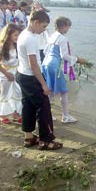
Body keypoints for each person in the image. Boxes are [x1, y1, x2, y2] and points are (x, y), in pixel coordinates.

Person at [16, 10, 63, 150]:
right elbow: (34, 64)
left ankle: (29, 137)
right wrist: (44, 85)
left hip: (22, 74)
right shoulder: (30, 38)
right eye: (43, 26)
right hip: (31, 77)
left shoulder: (23, 34)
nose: (44, 30)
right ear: (36, 22)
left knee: (28, 106)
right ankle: (46, 141)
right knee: (44, 108)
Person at [42, 16, 86, 123]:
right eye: (68, 27)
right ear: (64, 26)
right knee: (64, 91)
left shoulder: (52, 35)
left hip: (46, 63)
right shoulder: (62, 38)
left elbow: (44, 51)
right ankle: (65, 116)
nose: (68, 30)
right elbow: (64, 56)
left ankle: (46, 114)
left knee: (50, 90)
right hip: (54, 65)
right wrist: (77, 59)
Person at [0, 23, 22, 124]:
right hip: (5, 74)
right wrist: (7, 73)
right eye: (15, 35)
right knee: (5, 94)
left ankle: (15, 113)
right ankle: (2, 114)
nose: (17, 37)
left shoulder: (17, 45)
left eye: (18, 35)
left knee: (17, 92)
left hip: (16, 72)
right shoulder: (2, 47)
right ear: (8, 35)